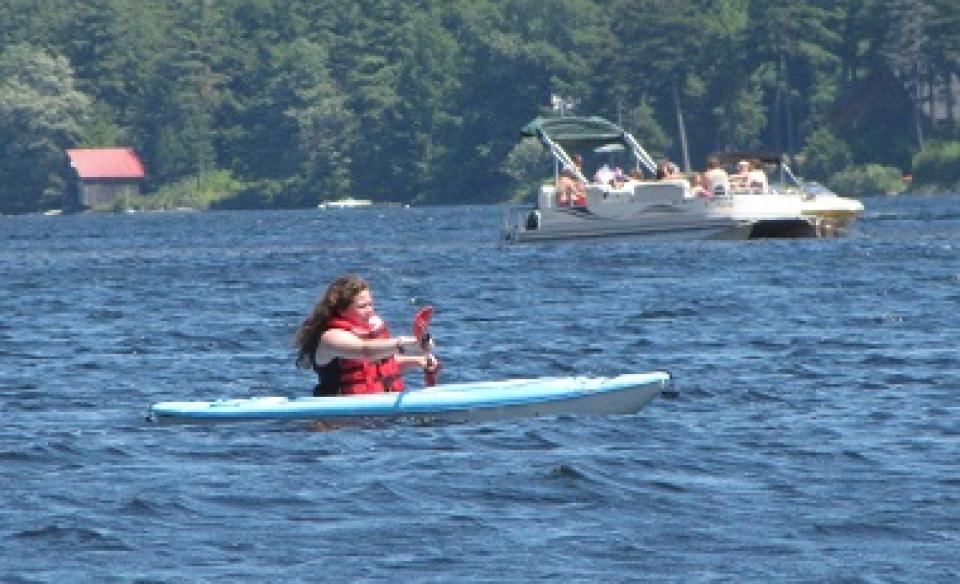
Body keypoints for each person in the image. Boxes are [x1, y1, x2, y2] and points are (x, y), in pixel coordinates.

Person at [294, 274, 437, 396]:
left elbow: (381, 365)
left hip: (374, 412)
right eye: (362, 306)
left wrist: (419, 360)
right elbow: (365, 351)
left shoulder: (368, 332)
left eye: (371, 304)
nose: (370, 310)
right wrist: (410, 342)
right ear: (342, 310)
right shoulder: (331, 338)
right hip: (336, 422)